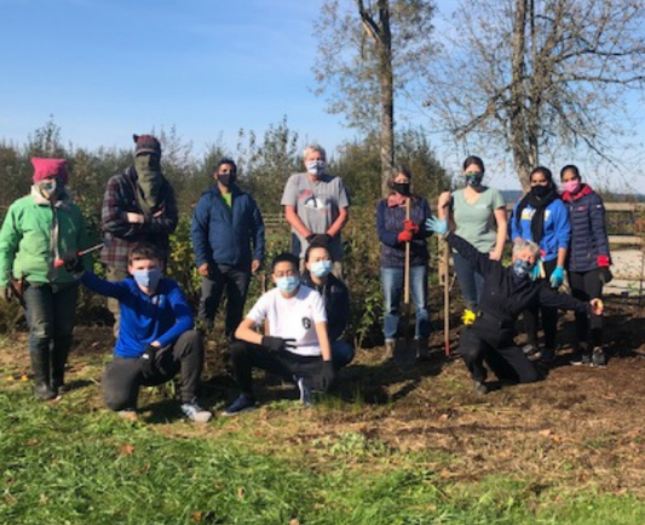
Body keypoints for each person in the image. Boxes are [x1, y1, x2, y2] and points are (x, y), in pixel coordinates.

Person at [425, 216, 603, 394]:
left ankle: (492, 357)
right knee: (471, 351)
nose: (526, 261)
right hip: (479, 330)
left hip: (503, 339)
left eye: (531, 259)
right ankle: (478, 377)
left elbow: (562, 300)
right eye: (523, 256)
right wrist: (448, 235)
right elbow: (470, 252)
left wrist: (588, 306)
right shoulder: (494, 271)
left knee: (529, 376)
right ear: (513, 257)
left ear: (535, 264)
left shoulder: (534, 290)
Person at [63, 242, 211, 423]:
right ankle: (125, 395)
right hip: (130, 357)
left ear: (161, 266)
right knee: (116, 402)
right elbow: (101, 286)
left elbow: (186, 320)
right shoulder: (127, 288)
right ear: (131, 269)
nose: (147, 272)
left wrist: (156, 345)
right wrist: (79, 272)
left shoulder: (169, 287)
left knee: (191, 338)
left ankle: (189, 401)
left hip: (159, 355)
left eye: (152, 267)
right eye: (141, 268)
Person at [0, 158, 91, 400]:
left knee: (63, 330)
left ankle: (58, 378)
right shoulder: (21, 208)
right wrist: (3, 278)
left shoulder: (73, 211)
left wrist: (87, 275)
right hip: (32, 279)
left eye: (57, 179)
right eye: (47, 179)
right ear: (37, 180)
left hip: (66, 280)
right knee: (41, 331)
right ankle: (42, 384)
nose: (52, 183)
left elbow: (83, 245)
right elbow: (5, 245)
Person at [222, 252, 334, 415]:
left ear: (298, 273)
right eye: (280, 274)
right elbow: (241, 331)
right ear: (274, 278)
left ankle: (306, 384)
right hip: (279, 353)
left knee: (329, 386)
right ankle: (246, 397)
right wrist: (266, 340)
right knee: (239, 349)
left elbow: (322, 332)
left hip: (308, 356)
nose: (286, 278)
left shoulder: (312, 296)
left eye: (290, 273)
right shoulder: (268, 298)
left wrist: (328, 362)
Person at [100, 134, 178, 336]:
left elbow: (171, 223)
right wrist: (152, 223)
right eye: (143, 155)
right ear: (135, 156)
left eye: (152, 155)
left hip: (153, 263)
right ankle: (124, 359)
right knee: (123, 313)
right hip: (120, 260)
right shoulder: (118, 183)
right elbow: (110, 221)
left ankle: (150, 358)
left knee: (154, 311)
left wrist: (140, 219)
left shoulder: (165, 187)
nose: (148, 161)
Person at [191, 158, 265, 339]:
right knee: (208, 305)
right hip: (214, 264)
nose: (228, 175)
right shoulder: (207, 200)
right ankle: (203, 342)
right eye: (224, 171)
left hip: (241, 264)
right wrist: (202, 260)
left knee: (236, 308)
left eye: (232, 171)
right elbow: (198, 230)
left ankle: (231, 345)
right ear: (216, 174)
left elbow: (258, 229)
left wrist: (258, 255)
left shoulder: (246, 200)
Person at [510, 167, 571, 362]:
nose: (538, 185)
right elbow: (514, 228)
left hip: (549, 260)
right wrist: (522, 249)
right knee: (528, 302)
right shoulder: (523, 204)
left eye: (542, 181)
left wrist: (560, 266)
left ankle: (550, 345)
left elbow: (563, 236)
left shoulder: (557, 206)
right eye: (534, 181)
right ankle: (532, 341)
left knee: (548, 303)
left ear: (549, 182)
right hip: (527, 260)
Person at [376, 167, 433, 360]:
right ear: (392, 182)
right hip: (391, 261)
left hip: (417, 260)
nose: (403, 183)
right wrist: (399, 237)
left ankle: (421, 344)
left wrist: (417, 230)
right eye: (399, 180)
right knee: (391, 305)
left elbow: (430, 228)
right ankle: (390, 345)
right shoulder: (384, 205)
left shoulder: (419, 203)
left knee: (422, 305)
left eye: (406, 179)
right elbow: (382, 233)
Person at [437, 156, 507, 311]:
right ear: (463, 172)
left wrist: (498, 251)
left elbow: (502, 224)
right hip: (461, 252)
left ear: (482, 173)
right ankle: (473, 330)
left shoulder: (492, 194)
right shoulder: (455, 197)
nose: (473, 175)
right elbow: (445, 227)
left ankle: (490, 330)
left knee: (488, 296)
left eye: (477, 172)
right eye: (470, 172)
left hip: (486, 252)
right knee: (470, 299)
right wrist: (441, 205)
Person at [560, 164, 612, 367]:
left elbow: (600, 232)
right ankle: (582, 347)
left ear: (579, 178)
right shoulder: (562, 202)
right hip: (572, 264)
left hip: (591, 262)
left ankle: (598, 347)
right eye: (565, 180)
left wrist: (603, 262)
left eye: (572, 178)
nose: (569, 183)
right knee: (579, 306)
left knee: (595, 303)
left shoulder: (592, 200)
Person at [281, 144, 350, 277]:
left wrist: (328, 236)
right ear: (304, 161)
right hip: (303, 249)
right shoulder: (295, 181)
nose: (316, 163)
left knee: (335, 290)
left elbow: (344, 214)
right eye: (311, 159)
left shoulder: (336, 182)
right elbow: (289, 213)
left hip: (331, 251)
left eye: (319, 159)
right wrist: (309, 236)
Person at [301, 242, 355, 369]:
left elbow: (342, 320)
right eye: (317, 260)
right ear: (307, 264)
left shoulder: (339, 288)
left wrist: (327, 340)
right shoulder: (299, 288)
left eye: (326, 259)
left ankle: (327, 369)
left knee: (345, 352)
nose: (322, 263)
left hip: (327, 339)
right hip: (302, 340)